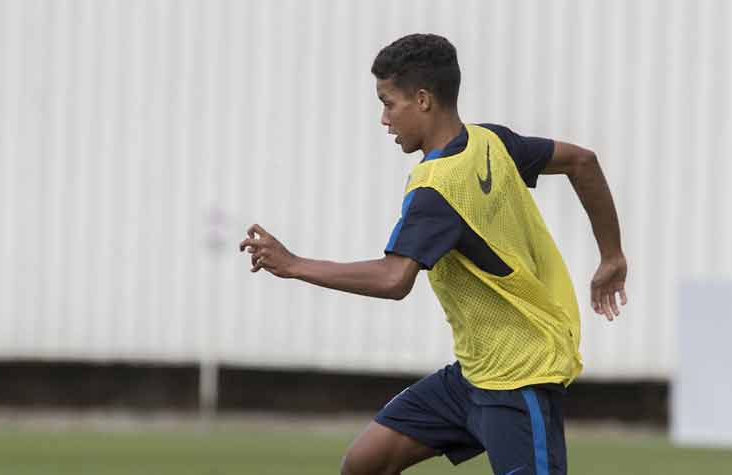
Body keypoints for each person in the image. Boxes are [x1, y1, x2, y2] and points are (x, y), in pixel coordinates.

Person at [238, 33, 627, 475]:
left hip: (520, 379)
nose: (384, 119)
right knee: (364, 464)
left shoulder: (437, 187)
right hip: (473, 374)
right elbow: (583, 161)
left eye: (388, 103)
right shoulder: (490, 143)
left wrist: (293, 265)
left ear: (422, 100)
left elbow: (393, 279)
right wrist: (611, 257)